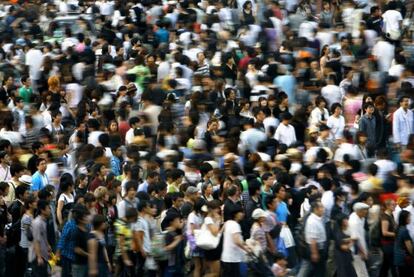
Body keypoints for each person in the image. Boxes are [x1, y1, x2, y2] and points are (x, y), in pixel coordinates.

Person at [221, 205, 251, 276]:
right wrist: (247, 249)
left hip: (226, 256)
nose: (243, 214)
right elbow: (236, 241)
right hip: (232, 258)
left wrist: (245, 245)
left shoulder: (227, 223)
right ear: (235, 214)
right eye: (241, 212)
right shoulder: (235, 225)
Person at [300, 201, 327, 277]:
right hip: (316, 249)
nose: (323, 209)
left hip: (319, 249)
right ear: (315, 209)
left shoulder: (317, 218)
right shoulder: (312, 221)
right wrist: (314, 253)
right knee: (318, 272)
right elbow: (313, 239)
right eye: (321, 207)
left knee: (318, 271)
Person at [29, 199, 51, 277]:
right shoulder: (37, 223)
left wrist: (48, 246)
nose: (50, 210)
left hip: (43, 255)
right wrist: (39, 257)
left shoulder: (44, 221)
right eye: (48, 208)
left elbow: (43, 237)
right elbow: (36, 241)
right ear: (42, 210)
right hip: (37, 257)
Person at [349, 202, 370, 277]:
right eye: (364, 210)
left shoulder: (362, 218)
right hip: (357, 251)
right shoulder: (354, 222)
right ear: (358, 211)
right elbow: (355, 240)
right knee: (361, 273)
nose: (366, 212)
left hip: (361, 249)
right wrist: (362, 252)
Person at [394, 210, 414, 276]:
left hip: (398, 258)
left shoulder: (399, 228)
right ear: (404, 218)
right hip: (405, 259)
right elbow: (409, 248)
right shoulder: (404, 230)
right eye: (408, 217)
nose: (410, 218)